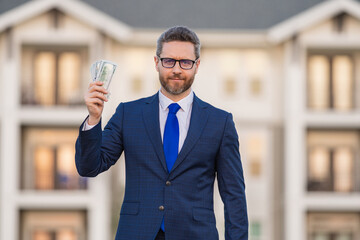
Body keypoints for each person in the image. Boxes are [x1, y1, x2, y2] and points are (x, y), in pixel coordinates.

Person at [75, 26, 248, 240]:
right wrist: (93, 119)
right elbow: (89, 167)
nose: (177, 69)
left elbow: (234, 196)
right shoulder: (128, 114)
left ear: (197, 66)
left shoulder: (220, 123)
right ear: (156, 63)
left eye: (185, 62)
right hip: (137, 233)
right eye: (169, 61)